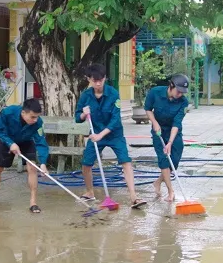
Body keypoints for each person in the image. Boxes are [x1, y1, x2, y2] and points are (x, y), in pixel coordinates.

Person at [75, 64, 146, 208]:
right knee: (86, 164)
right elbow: (77, 117)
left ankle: (133, 196)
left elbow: (115, 119)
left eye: (101, 79)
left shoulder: (113, 93)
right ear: (89, 79)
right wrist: (83, 113)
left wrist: (101, 135)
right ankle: (89, 192)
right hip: (95, 134)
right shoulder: (86, 96)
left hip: (114, 134)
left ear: (105, 78)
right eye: (94, 80)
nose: (98, 83)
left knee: (126, 161)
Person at [0, 98, 50, 213]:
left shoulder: (38, 123)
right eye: (32, 117)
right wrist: (10, 143)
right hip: (8, 139)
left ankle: (33, 202)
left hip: (27, 141)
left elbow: (41, 142)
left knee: (32, 167)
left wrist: (43, 163)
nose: (35, 120)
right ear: (23, 113)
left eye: (37, 116)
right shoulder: (8, 113)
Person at [146, 74, 191, 203]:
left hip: (173, 131)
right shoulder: (155, 92)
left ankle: (158, 182)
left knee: (174, 159)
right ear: (171, 86)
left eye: (183, 92)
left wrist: (170, 142)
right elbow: (148, 109)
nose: (180, 94)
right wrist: (154, 122)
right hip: (158, 130)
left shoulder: (183, 102)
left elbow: (177, 123)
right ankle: (171, 191)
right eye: (178, 91)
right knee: (164, 160)